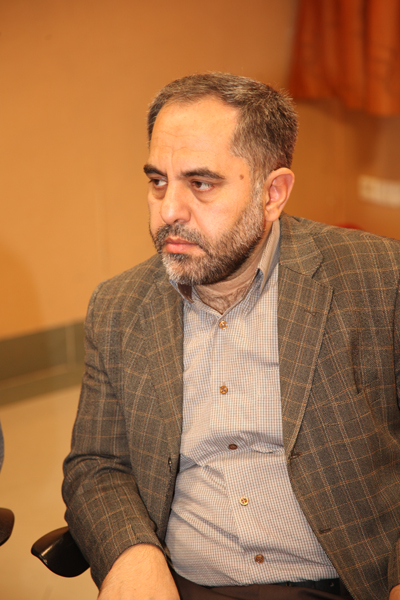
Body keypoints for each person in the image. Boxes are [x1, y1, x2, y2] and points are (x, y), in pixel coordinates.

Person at [62, 73, 400, 600]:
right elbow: (97, 465)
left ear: (272, 193)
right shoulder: (119, 306)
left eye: (201, 183)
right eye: (158, 181)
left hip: (346, 583)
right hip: (186, 584)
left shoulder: (380, 279)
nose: (169, 210)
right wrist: (133, 555)